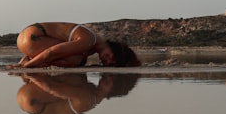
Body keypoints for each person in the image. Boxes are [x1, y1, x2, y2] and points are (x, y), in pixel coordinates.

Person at [13, 22, 141, 68]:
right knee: (75, 59)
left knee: (79, 59)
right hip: (32, 38)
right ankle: (28, 60)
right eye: (112, 58)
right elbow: (51, 52)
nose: (107, 62)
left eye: (110, 64)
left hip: (27, 37)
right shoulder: (89, 40)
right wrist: (26, 66)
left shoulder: (94, 41)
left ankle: (29, 58)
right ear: (115, 50)